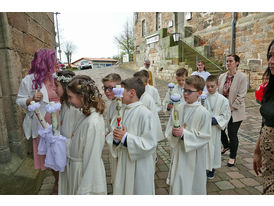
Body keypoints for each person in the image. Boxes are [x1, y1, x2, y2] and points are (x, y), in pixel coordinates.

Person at [16, 48, 60, 194]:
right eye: (54, 60)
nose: (57, 62)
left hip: (62, 119)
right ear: (45, 62)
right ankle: (58, 181)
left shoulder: (57, 77)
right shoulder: (29, 80)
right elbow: (20, 100)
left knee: (63, 151)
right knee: (51, 154)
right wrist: (31, 99)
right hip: (44, 123)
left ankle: (65, 178)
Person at [106, 77, 157, 195]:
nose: (118, 95)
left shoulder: (145, 114)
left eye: (121, 91)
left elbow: (150, 143)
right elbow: (113, 134)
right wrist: (116, 138)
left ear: (132, 93)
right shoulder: (121, 110)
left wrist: (125, 138)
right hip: (124, 160)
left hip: (140, 164)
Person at [165, 75, 211, 195]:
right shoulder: (178, 108)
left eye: (189, 91)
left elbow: (205, 136)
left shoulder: (203, 113)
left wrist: (184, 134)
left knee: (192, 186)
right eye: (184, 90)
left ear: (199, 93)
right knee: (178, 185)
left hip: (195, 157)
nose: (185, 94)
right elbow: (169, 127)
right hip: (180, 153)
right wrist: (173, 132)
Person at [65, 75, 107, 195]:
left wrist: (85, 190)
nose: (69, 101)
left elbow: (92, 159)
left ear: (81, 96)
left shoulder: (93, 122)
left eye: (70, 97)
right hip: (76, 169)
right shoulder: (85, 115)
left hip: (84, 174)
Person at [52, 70, 82, 195]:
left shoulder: (75, 108)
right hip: (65, 151)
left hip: (72, 153)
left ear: (65, 86)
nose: (54, 89)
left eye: (57, 85)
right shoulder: (64, 104)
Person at [218, 54, 248, 167]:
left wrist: (231, 107)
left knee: (232, 133)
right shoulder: (222, 76)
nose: (228, 63)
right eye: (227, 61)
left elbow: (241, 95)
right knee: (219, 129)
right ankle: (226, 146)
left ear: (237, 63)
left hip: (236, 111)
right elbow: (218, 93)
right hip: (223, 110)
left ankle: (232, 156)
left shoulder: (242, 77)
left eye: (230, 61)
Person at [253, 39, 274, 195]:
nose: (271, 61)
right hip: (268, 161)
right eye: (270, 56)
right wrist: (257, 150)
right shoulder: (270, 87)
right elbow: (266, 120)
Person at [204, 75, 231, 179]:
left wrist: (216, 120)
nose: (210, 88)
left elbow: (226, 115)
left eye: (212, 86)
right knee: (204, 148)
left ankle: (211, 168)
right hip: (204, 128)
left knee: (214, 148)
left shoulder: (223, 100)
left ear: (217, 85)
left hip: (215, 129)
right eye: (208, 86)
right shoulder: (203, 97)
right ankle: (203, 166)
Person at [101, 73, 122, 184]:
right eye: (105, 88)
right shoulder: (112, 104)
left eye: (111, 88)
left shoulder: (121, 105)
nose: (107, 91)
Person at [133, 71, 164, 142]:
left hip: (150, 117)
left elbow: (158, 104)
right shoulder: (135, 91)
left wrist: (150, 110)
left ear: (146, 82)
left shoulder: (152, 91)